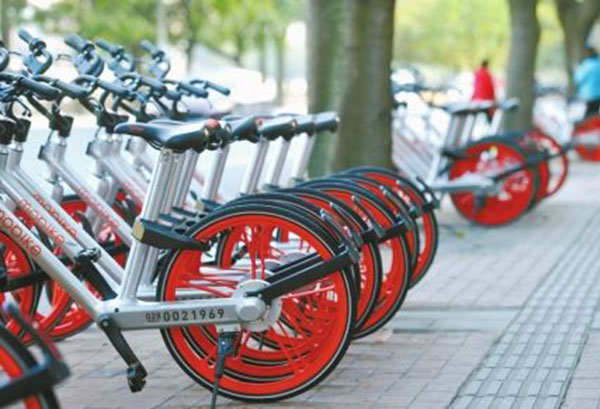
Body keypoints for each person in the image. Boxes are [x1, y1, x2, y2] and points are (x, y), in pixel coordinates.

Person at [574, 45, 600, 118]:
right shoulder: (598, 64)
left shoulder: (585, 65)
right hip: (598, 95)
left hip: (587, 96)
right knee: (594, 115)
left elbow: (578, 79)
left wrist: (576, 68)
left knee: (588, 117)